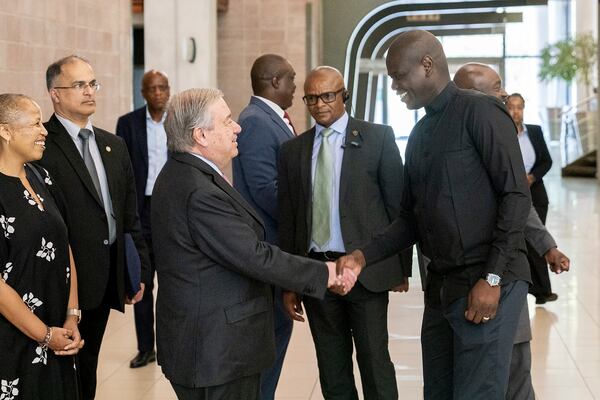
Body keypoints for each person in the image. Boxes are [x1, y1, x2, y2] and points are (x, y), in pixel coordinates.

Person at [337, 30, 532, 399]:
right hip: (444, 290)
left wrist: (492, 278)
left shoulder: (481, 112)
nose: (394, 86)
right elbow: (410, 219)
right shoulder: (421, 133)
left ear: (427, 65)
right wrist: (364, 255)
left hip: (490, 282)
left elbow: (516, 196)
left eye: (398, 76)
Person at [151, 88, 356, 400]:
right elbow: (253, 255)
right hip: (215, 351)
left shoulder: (184, 172)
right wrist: (325, 273)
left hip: (205, 344)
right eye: (227, 121)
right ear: (201, 136)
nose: (238, 128)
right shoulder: (198, 191)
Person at [278, 66, 412, 399]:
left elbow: (400, 210)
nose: (319, 104)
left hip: (365, 271)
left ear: (344, 95)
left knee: (374, 361)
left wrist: (400, 268)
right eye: (311, 97)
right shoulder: (292, 151)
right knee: (332, 367)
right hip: (316, 274)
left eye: (327, 95)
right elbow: (290, 219)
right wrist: (291, 281)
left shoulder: (378, 139)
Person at [453, 62, 570, 400]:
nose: (505, 95)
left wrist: (547, 247)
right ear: (471, 96)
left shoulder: (502, 144)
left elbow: (520, 207)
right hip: (461, 283)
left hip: (507, 275)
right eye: (497, 88)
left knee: (517, 366)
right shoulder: (449, 145)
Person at [39, 55, 150, 400]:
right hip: (59, 284)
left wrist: (139, 270)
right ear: (54, 94)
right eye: (79, 85)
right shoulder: (42, 145)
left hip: (104, 282)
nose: (89, 92)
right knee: (56, 373)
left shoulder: (112, 145)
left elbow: (129, 216)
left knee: (88, 365)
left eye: (92, 84)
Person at [0, 93, 84, 399]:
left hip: (58, 332)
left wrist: (72, 316)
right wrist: (44, 335)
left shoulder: (41, 176)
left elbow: (64, 245)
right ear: (5, 131)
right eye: (35, 123)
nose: (44, 131)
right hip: (15, 339)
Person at [232, 54, 297, 399]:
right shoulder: (256, 121)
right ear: (274, 82)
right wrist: (305, 217)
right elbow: (264, 188)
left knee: (276, 336)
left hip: (276, 247)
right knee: (269, 340)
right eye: (291, 79)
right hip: (269, 246)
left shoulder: (273, 118)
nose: (295, 86)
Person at [116, 69, 170, 369]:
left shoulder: (178, 120)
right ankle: (145, 348)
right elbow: (123, 171)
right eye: (152, 88)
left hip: (169, 210)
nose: (158, 93)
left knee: (173, 280)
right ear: (143, 92)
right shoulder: (128, 124)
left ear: (169, 90)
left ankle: (171, 344)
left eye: (163, 87)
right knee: (141, 280)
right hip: (140, 210)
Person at [506, 92, 557, 305]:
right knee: (522, 242)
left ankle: (542, 290)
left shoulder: (534, 132)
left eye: (519, 107)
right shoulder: (502, 132)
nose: (516, 111)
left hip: (535, 192)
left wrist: (533, 177)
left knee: (538, 237)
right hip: (511, 194)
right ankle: (529, 287)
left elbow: (546, 161)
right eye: (512, 107)